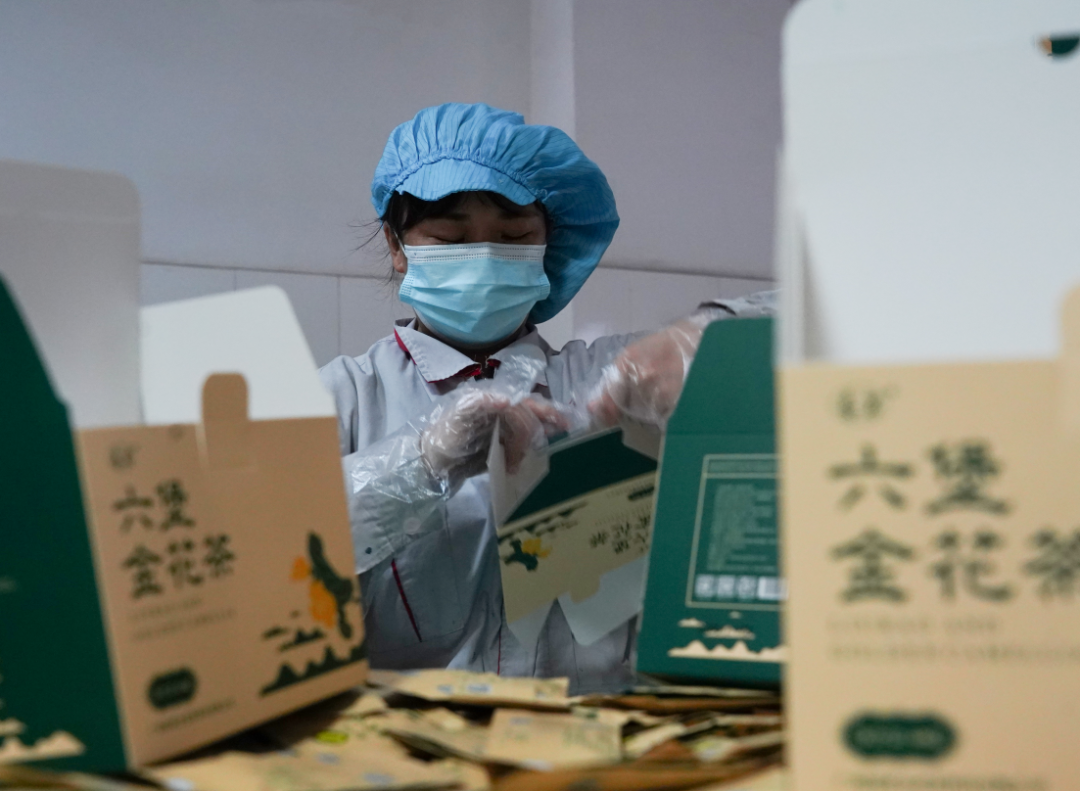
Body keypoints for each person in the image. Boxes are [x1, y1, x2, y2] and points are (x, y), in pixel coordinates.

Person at [319, 103, 774, 692]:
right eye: (451, 237)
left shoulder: (605, 379)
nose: (484, 257)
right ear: (397, 244)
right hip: (406, 736)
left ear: (547, 247)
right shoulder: (340, 398)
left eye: (513, 237)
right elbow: (273, 553)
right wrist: (419, 462)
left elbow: (830, 325)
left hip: (594, 728)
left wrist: (709, 334)